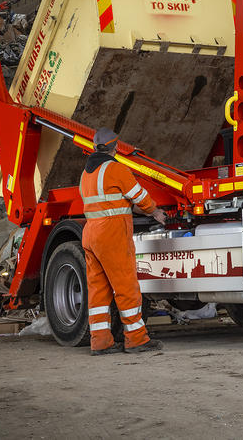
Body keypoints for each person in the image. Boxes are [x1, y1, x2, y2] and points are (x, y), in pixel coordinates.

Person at [80, 127, 167, 355]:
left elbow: (106, 200)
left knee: (98, 291)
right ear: (116, 148)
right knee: (126, 286)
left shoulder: (86, 174)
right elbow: (141, 197)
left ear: (93, 147)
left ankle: (100, 342)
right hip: (111, 234)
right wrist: (155, 211)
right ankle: (136, 339)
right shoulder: (116, 169)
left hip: (90, 234)